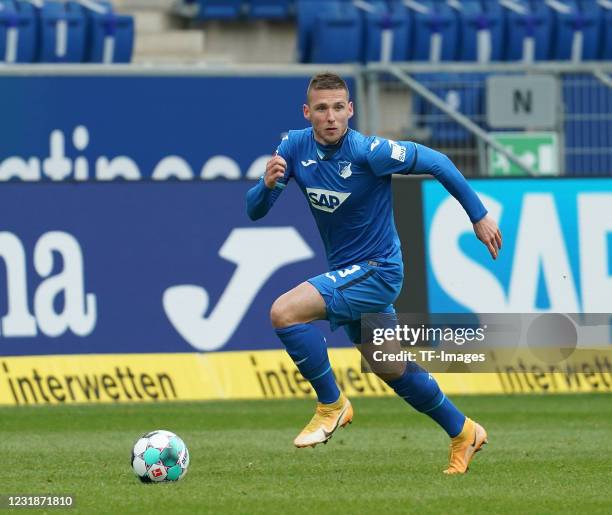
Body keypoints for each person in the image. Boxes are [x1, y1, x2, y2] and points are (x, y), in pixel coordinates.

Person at [245, 72, 501, 474]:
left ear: (351, 109)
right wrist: (265, 185)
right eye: (322, 108)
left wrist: (478, 214)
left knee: (284, 312)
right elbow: (255, 210)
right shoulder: (293, 147)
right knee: (391, 367)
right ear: (307, 112)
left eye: (338, 108)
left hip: (378, 271)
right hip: (350, 275)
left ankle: (332, 404)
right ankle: (464, 432)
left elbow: (438, 162)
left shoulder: (370, 152)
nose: (331, 117)